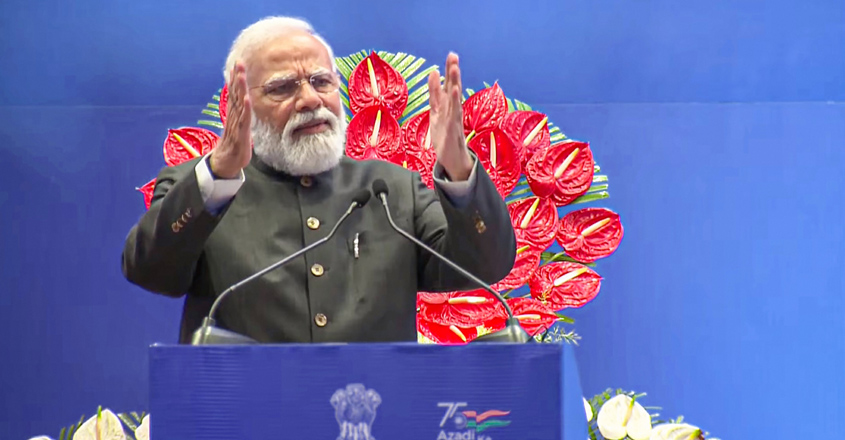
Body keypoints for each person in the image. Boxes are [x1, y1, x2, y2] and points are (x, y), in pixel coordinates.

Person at [121, 16, 516, 344]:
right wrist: (219, 172)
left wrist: (460, 170)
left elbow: (486, 265)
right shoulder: (201, 190)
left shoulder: (393, 191)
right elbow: (151, 272)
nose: (310, 99)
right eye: (283, 87)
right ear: (239, 102)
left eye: (321, 81)